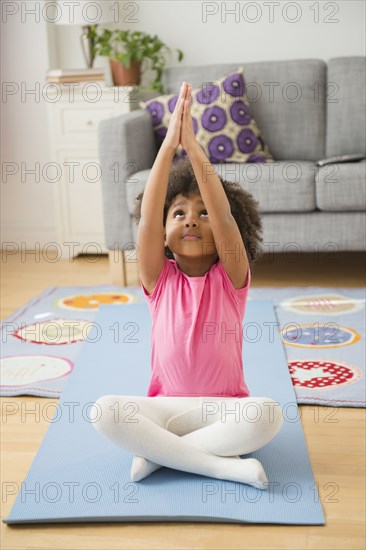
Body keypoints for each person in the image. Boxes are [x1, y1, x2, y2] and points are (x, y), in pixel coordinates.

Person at [91, 82, 284, 489]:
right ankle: (222, 466)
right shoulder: (158, 280)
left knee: (267, 414)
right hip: (165, 410)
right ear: (163, 234)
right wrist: (167, 148)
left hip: (224, 412)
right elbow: (146, 218)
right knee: (104, 411)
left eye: (201, 214)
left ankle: (162, 457)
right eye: (178, 213)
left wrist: (195, 150)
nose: (192, 220)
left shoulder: (232, 279)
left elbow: (225, 217)